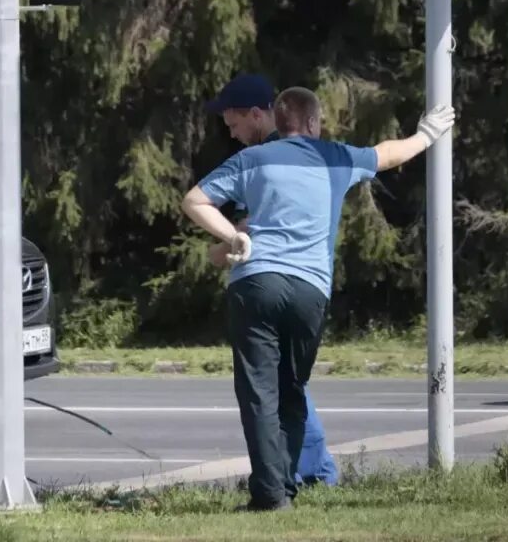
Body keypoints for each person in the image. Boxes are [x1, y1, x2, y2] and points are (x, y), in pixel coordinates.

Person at [182, 86, 455, 510]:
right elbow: (389, 154)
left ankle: (270, 495)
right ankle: (284, 486)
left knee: (259, 393)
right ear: (313, 123)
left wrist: (232, 235)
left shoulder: (252, 159)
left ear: (278, 120)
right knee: (293, 390)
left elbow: (195, 200)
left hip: (256, 282)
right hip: (310, 289)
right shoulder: (335, 156)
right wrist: (426, 134)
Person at [203, 73, 338, 488]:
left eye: (234, 124)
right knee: (287, 384)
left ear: (258, 115)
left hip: (279, 280)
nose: (233, 133)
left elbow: (249, 234)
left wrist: (221, 250)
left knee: (278, 387)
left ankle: (303, 471)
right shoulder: (303, 156)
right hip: (308, 282)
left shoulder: (264, 162)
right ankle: (302, 470)